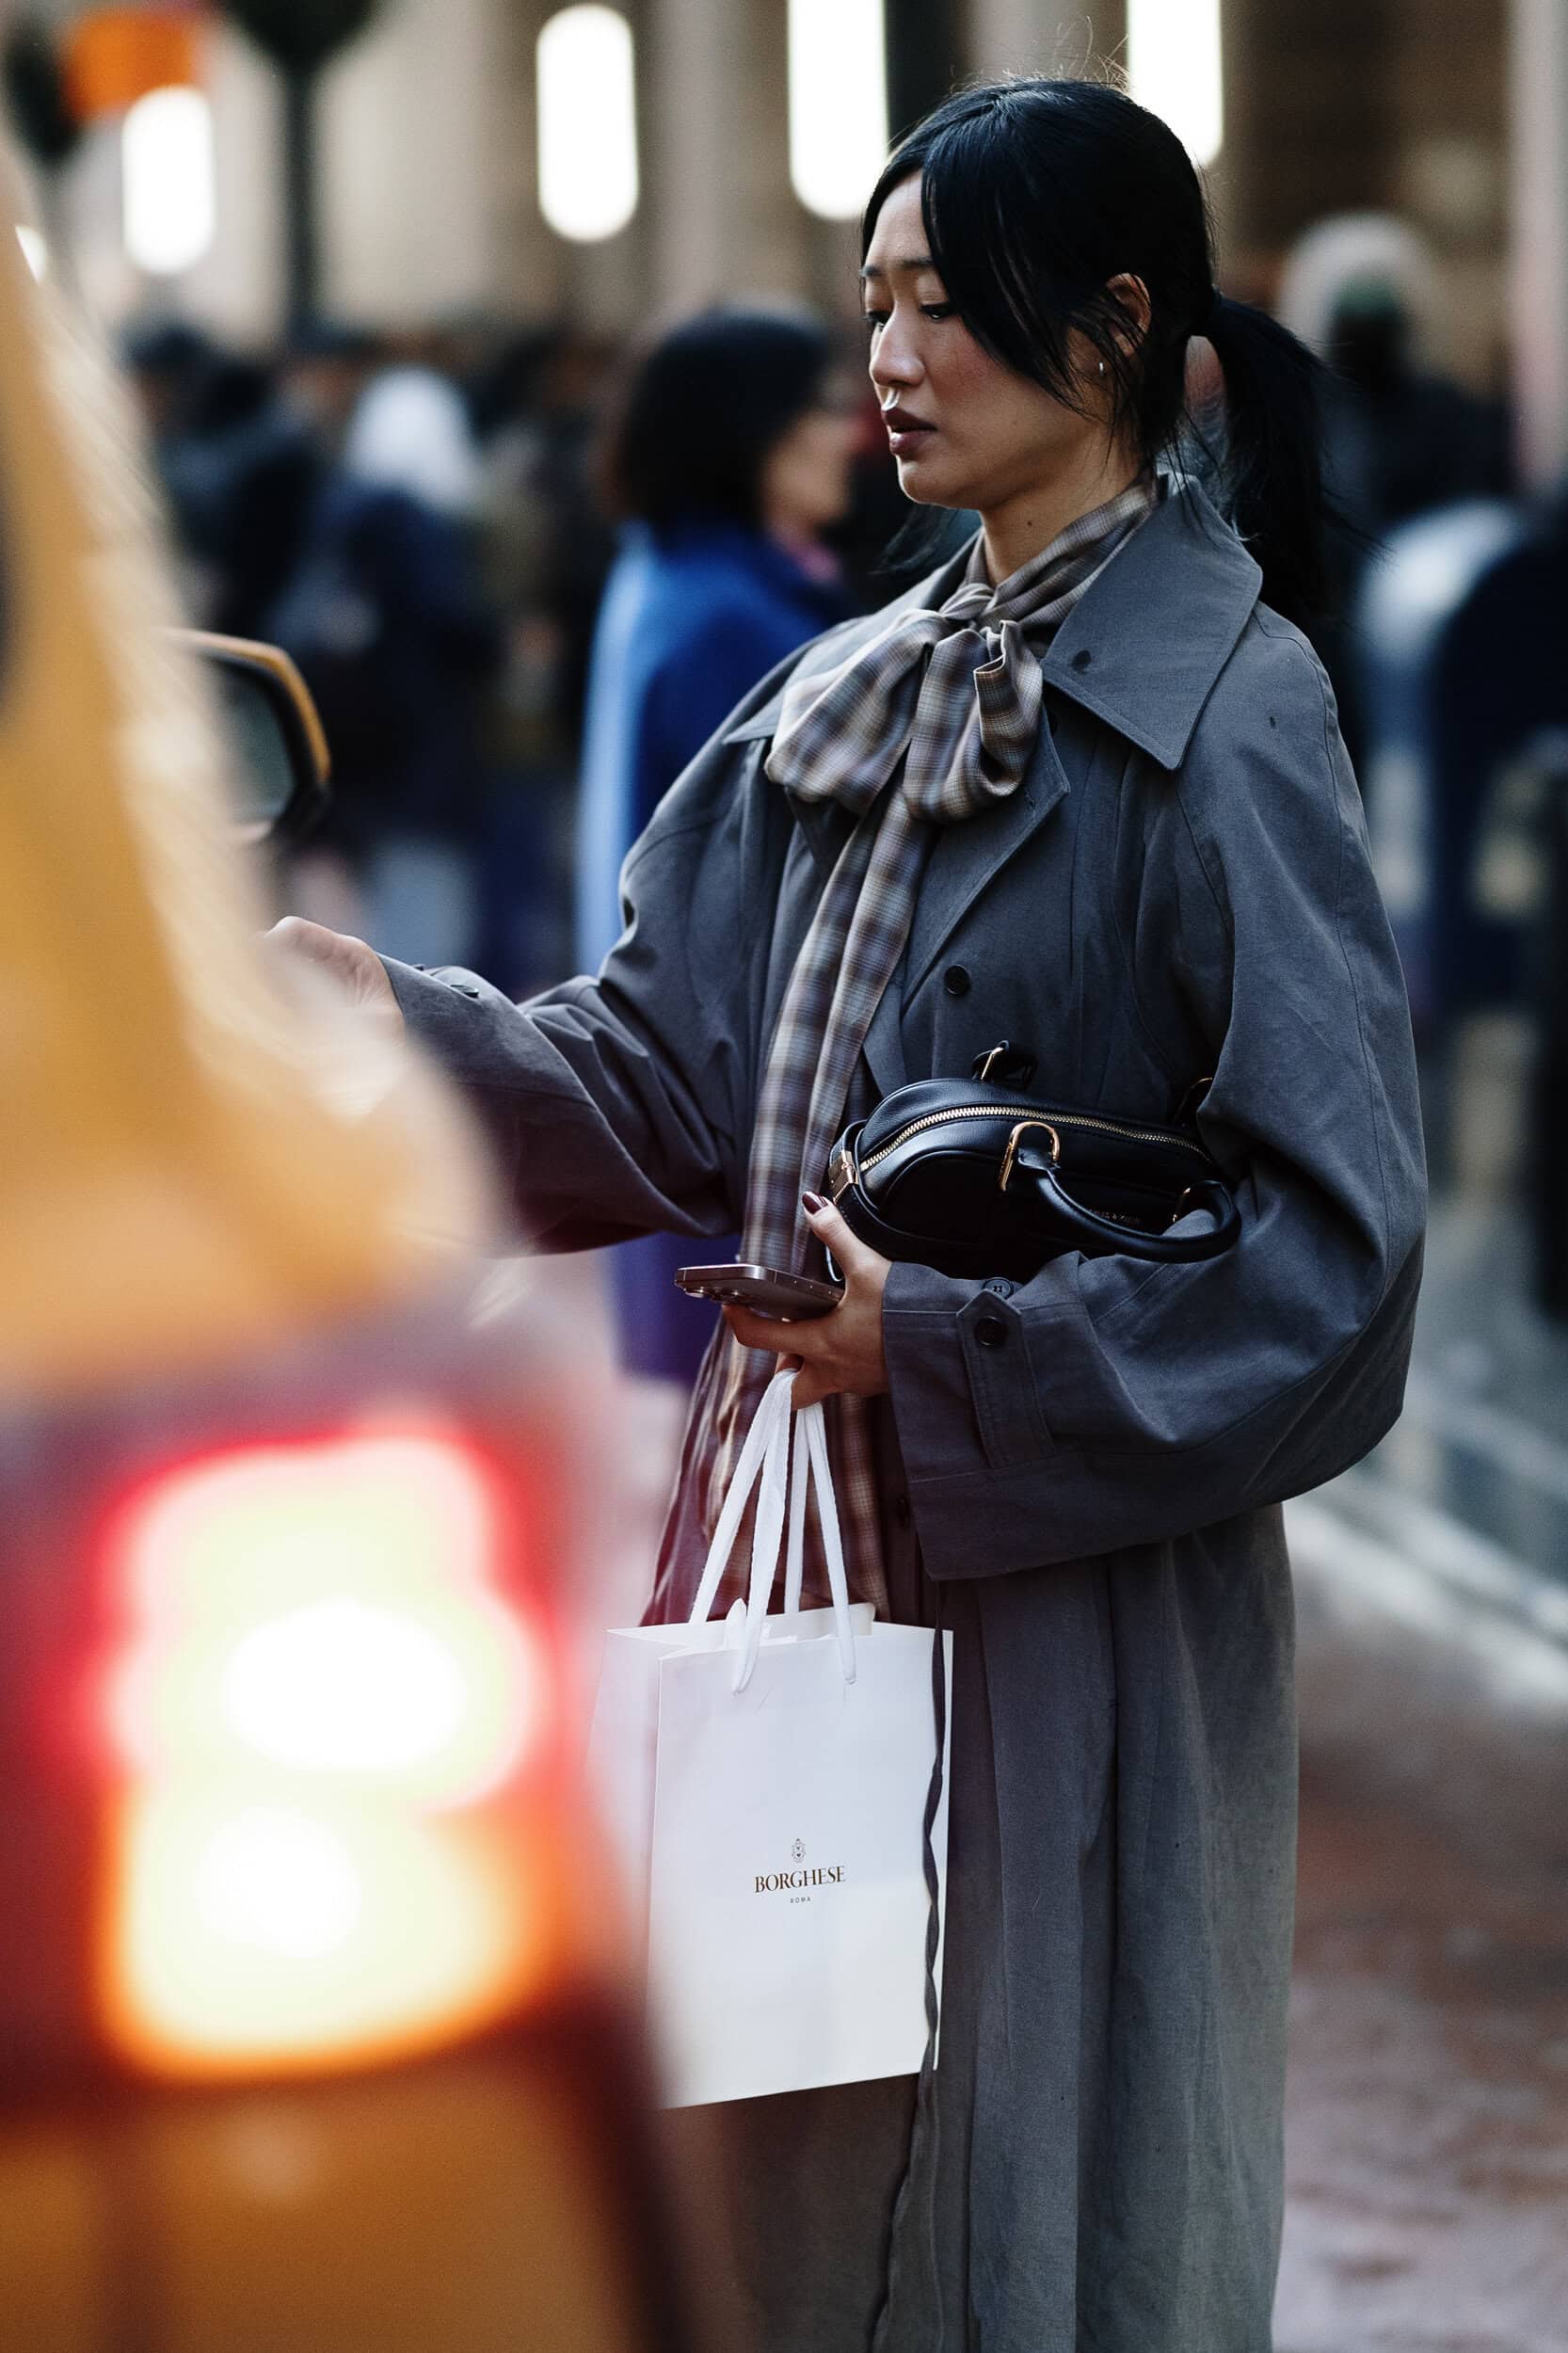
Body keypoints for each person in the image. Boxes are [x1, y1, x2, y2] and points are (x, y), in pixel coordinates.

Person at [275, 78, 1426, 2353]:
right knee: (785, 2170)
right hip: (789, 1571)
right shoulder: (841, 695)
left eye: (943, 305)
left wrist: (962, 1353)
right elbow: (659, 1085)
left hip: (1064, 1616)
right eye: (872, 299)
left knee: (1028, 2214)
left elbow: (1338, 1257)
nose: (887, 356)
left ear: (1110, 332)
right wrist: (376, 1029)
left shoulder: (1228, 709)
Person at [578, 305, 856, 1387]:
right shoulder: (738, 627)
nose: (848, 432)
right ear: (754, 435)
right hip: (747, 1150)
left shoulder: (663, 578)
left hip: (677, 1124)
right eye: (820, 409)